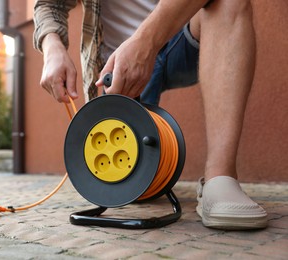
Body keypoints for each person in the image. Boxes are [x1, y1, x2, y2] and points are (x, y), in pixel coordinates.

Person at [33, 0, 267, 230]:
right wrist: (52, 48)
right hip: (113, 64)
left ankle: (220, 178)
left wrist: (146, 42)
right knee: (133, 182)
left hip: (179, 35)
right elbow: (48, 4)